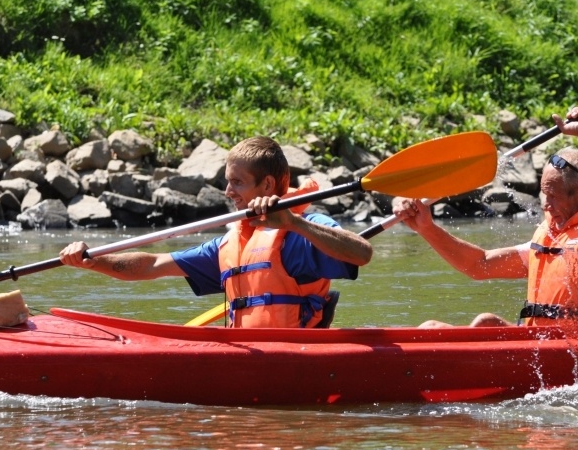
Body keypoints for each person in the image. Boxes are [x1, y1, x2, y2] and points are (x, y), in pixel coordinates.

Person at [59, 136, 373, 328]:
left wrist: (295, 223)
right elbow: (152, 265)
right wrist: (93, 262)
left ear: (265, 185)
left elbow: (362, 253)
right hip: (254, 361)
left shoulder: (299, 236)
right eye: (227, 181)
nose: (227, 191)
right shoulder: (228, 245)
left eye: (237, 182)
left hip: (298, 358)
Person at [392, 104, 578, 328]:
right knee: (477, 324)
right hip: (542, 349)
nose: (546, 205)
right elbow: (479, 265)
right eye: (543, 194)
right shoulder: (553, 236)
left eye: (553, 196)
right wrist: (427, 227)